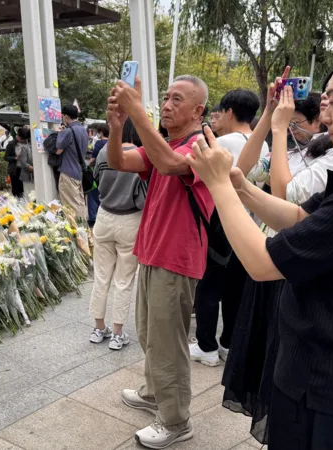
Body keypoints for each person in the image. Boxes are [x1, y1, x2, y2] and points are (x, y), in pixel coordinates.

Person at [186, 40, 333, 450]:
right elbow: (303, 218)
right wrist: (243, 189)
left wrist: (219, 186)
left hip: (332, 388)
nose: (323, 114)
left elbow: (262, 263)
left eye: (332, 101)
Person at [221, 73, 333, 444]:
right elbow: (242, 172)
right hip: (272, 254)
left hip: (289, 265)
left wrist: (280, 131)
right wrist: (269, 116)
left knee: (282, 368)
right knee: (266, 361)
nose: (326, 103)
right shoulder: (311, 148)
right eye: (325, 97)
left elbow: (286, 195)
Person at [107, 74, 213, 448]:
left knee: (169, 342)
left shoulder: (200, 145)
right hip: (153, 253)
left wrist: (138, 112)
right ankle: (154, 392)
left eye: (177, 100)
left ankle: (176, 420)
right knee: (151, 334)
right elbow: (118, 160)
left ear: (198, 110)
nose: (167, 105)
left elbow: (168, 164)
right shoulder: (167, 142)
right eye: (165, 98)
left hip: (177, 259)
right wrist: (118, 126)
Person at [189, 88, 270, 369]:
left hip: (221, 221)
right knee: (235, 286)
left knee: (209, 284)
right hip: (250, 222)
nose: (217, 117)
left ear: (230, 112)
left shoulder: (222, 142)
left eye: (220, 112)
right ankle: (228, 343)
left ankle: (206, 347)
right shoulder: (262, 144)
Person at [88, 118, 147, 351]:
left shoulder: (104, 151)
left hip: (104, 216)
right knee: (124, 281)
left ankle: (98, 328)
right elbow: (144, 195)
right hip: (130, 219)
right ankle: (118, 333)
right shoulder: (141, 155)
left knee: (101, 276)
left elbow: (96, 179)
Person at [56, 105, 88, 220]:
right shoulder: (83, 130)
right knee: (80, 202)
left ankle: (79, 232)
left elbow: (58, 150)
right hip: (78, 171)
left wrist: (60, 133)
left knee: (71, 205)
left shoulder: (68, 131)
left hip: (68, 171)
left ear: (65, 116)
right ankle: (85, 229)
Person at [87, 123, 109, 227]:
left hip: (97, 171)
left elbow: (93, 158)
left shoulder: (100, 143)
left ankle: (93, 217)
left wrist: (88, 164)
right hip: (108, 173)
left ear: (100, 132)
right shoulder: (112, 142)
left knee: (92, 194)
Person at [14, 127, 34, 197]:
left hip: (35, 177)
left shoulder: (38, 147)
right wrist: (34, 169)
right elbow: (24, 164)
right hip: (27, 176)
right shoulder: (25, 148)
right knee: (29, 196)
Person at [4, 128, 22, 196]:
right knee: (16, 188)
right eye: (21, 138)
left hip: (22, 169)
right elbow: (6, 157)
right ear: (17, 136)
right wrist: (15, 158)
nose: (22, 140)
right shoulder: (11, 144)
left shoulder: (23, 143)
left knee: (21, 189)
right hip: (14, 169)